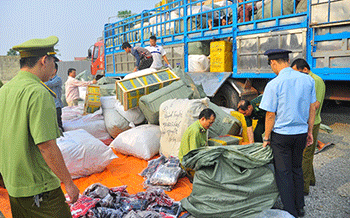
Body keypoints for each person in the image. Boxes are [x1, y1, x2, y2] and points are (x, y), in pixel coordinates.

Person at [0, 36, 79, 218]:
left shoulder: (4, 90)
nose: (54, 68)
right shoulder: (38, 92)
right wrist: (68, 183)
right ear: (44, 60)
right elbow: (46, 146)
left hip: (14, 186)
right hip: (39, 188)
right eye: (53, 62)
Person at [259, 49, 317, 217]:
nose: (272, 68)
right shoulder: (307, 80)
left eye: (271, 65)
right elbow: (312, 107)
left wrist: (266, 138)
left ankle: (290, 211)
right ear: (288, 60)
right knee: (297, 168)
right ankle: (300, 207)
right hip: (300, 133)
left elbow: (270, 114)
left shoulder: (274, 84)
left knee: (283, 173)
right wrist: (310, 131)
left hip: (282, 136)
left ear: (274, 63)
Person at [291, 58, 326, 195]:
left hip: (311, 122)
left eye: (297, 72)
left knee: (305, 156)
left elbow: (315, 105)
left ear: (305, 69)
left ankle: (303, 188)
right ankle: (311, 180)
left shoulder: (315, 80)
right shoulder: (308, 79)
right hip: (308, 122)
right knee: (307, 153)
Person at [45, 63, 64, 132]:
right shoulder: (48, 80)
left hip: (56, 106)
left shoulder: (58, 79)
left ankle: (64, 138)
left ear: (54, 70)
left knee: (58, 124)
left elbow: (48, 85)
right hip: (50, 106)